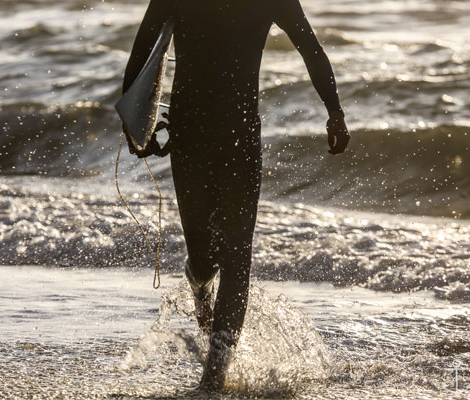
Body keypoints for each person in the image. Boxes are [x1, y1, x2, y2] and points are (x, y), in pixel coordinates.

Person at [122, 0, 350, 391]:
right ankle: (199, 288)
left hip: (241, 133)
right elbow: (142, 48)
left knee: (237, 253)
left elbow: (309, 46)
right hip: (189, 130)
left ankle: (214, 376)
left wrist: (335, 112)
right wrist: (134, 124)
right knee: (204, 257)